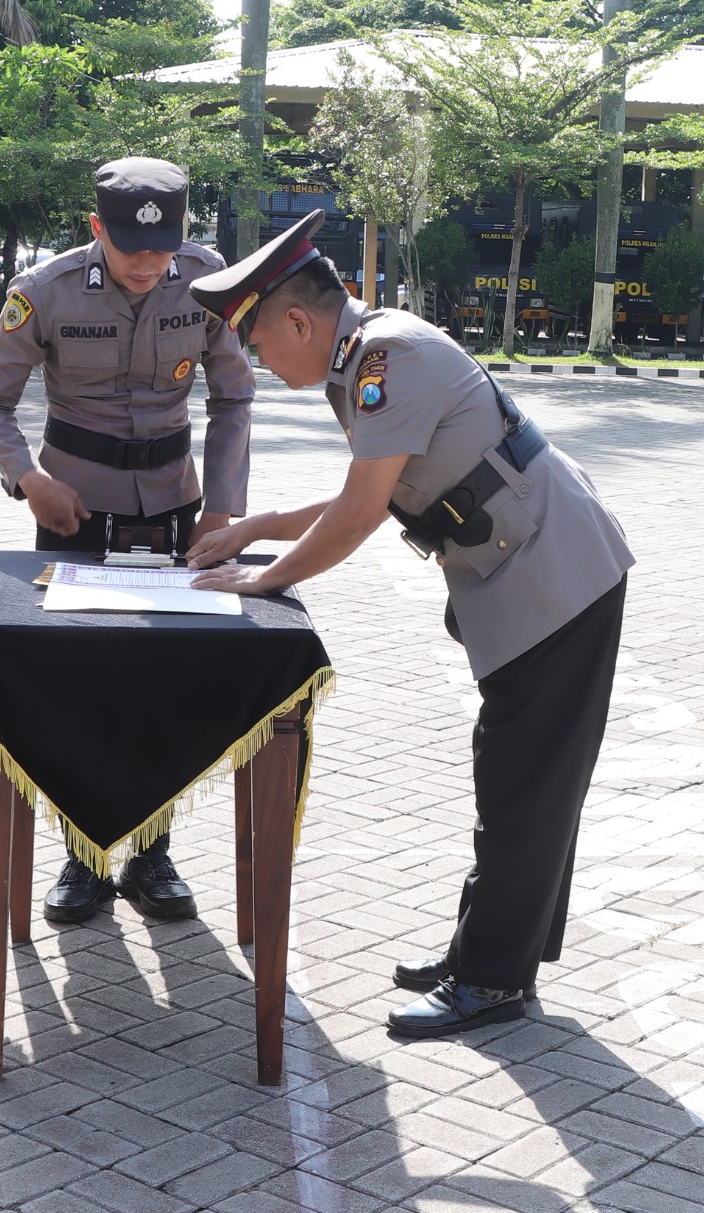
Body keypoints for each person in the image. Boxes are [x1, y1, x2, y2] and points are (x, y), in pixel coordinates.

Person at [183, 212, 634, 1036]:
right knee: (519, 775)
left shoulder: (384, 359)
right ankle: (485, 952)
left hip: (556, 575)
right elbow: (379, 488)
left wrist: (262, 578)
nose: (256, 359)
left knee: (523, 782)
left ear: (297, 320)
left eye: (256, 341)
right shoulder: (361, 361)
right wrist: (255, 527)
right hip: (529, 570)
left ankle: (492, 979)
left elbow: (359, 514)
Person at [0, 157, 253, 924]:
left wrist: (223, 507)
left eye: (163, 252)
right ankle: (84, 857)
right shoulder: (45, 291)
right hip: (74, 513)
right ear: (97, 230)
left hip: (176, 513)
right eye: (133, 251)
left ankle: (153, 854)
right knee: (77, 683)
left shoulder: (205, 279)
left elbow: (234, 395)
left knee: (165, 678)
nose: (150, 267)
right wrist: (30, 479)